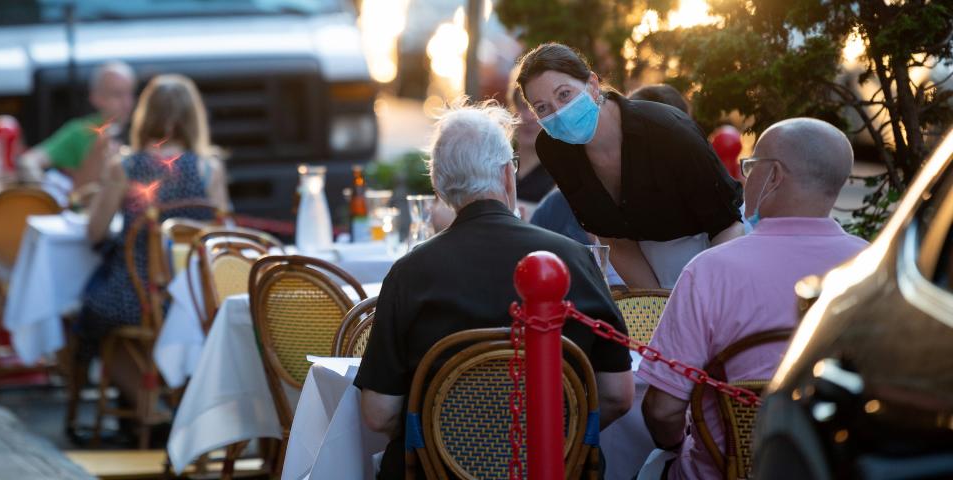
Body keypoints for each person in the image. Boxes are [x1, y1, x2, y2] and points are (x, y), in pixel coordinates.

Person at [354, 102, 634, 479]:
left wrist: (451, 443)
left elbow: (379, 413)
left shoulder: (409, 273)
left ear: (439, 185)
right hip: (557, 469)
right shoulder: (573, 259)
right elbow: (617, 394)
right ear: (507, 174)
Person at [638, 118, 868, 479]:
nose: (744, 179)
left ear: (774, 176)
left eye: (751, 166)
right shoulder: (874, 268)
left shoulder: (711, 271)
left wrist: (675, 447)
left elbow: (663, 410)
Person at [515, 43, 744, 289]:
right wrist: (656, 305)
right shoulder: (554, 150)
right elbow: (615, 239)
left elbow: (728, 226)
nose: (558, 112)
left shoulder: (667, 130)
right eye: (542, 108)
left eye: (564, 94)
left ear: (592, 84)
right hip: (641, 270)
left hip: (717, 257)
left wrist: (701, 297)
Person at [76, 74, 228, 421]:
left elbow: (94, 232)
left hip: (140, 294)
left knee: (90, 318)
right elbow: (223, 235)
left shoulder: (125, 166)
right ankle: (176, 403)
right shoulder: (209, 169)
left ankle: (148, 410)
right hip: (192, 296)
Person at [18, 61, 136, 192]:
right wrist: (48, 195)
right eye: (117, 94)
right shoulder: (80, 132)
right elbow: (28, 161)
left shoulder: (140, 131)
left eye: (130, 93)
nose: (127, 103)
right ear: (96, 97)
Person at [508, 73, 556, 215]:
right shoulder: (497, 164)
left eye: (539, 109)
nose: (529, 117)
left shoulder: (560, 174)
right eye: (523, 106)